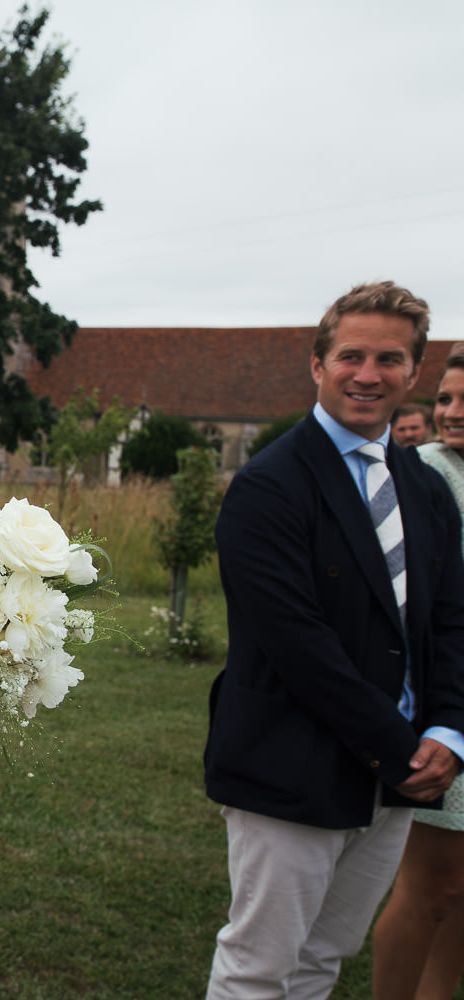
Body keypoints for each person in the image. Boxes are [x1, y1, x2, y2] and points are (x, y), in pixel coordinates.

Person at [203, 280, 464, 999]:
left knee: (324, 958)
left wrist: (447, 728)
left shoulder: (425, 486)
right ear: (317, 365)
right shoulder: (269, 486)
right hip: (293, 762)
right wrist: (400, 745)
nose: (368, 374)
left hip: (399, 770)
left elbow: (448, 622)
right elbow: (296, 643)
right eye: (351, 356)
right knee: (260, 967)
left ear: (413, 371)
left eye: (390, 359)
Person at [372, 342, 464, 999]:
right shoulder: (425, 473)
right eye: (446, 401)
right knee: (434, 883)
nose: (452, 414)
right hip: (447, 694)